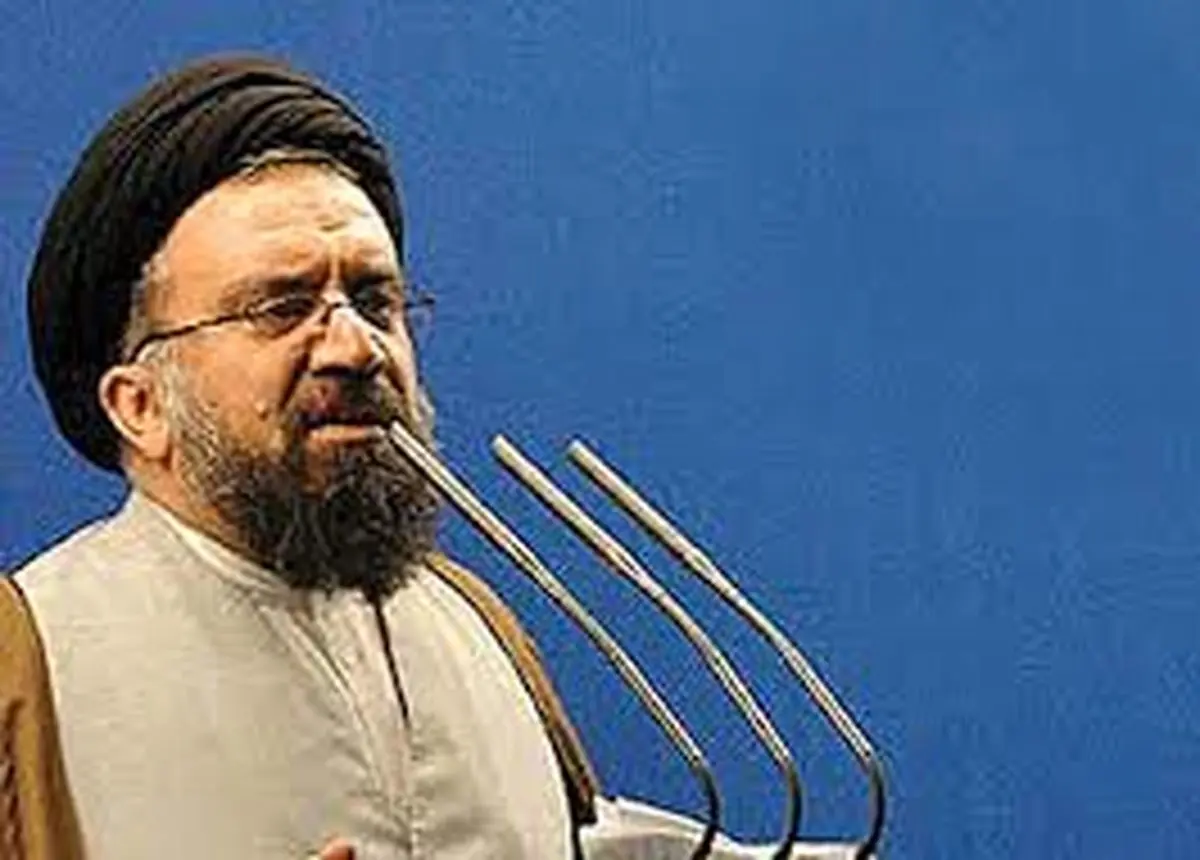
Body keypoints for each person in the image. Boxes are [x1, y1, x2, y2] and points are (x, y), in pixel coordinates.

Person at [4, 54, 824, 860]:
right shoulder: (29, 660)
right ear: (140, 405)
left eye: (375, 300)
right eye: (282, 307)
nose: (356, 347)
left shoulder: (474, 623)